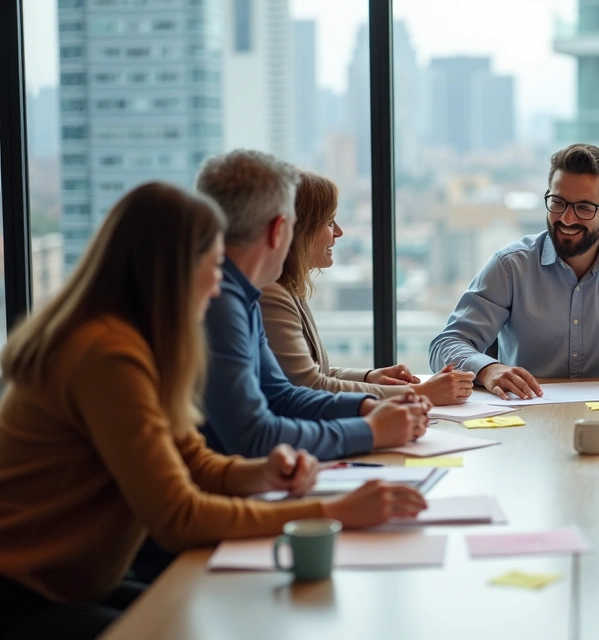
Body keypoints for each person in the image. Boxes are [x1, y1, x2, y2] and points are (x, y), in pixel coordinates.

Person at [0, 183, 427, 640]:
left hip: (71, 584)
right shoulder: (106, 354)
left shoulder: (143, 345)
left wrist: (264, 474)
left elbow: (194, 462)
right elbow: (179, 518)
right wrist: (332, 510)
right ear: (173, 271)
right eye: (213, 264)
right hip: (23, 595)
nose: (219, 283)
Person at [195, 150, 428, 461]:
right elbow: (253, 436)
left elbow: (283, 396)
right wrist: (371, 430)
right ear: (280, 231)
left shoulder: (241, 293)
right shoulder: (219, 302)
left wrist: (366, 407)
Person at [428, 143, 599, 400]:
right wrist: (488, 370)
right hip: (527, 414)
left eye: (584, 207)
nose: (566, 218)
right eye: (558, 203)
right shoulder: (510, 266)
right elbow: (447, 344)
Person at [261, 170, 474, 405]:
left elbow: (313, 374)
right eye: (329, 222)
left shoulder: (289, 287)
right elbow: (311, 386)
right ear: (300, 230)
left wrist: (370, 377)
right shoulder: (271, 294)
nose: (339, 232)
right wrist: (421, 393)